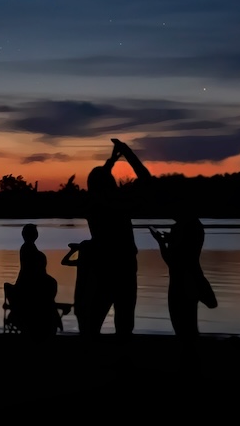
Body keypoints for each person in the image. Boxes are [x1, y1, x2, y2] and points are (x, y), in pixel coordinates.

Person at [82, 137, 151, 335]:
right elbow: (146, 181)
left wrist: (111, 162)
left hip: (103, 268)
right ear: (111, 185)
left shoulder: (92, 205)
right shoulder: (119, 205)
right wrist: (127, 153)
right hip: (123, 269)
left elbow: (99, 183)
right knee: (124, 324)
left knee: (93, 322)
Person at [151, 214, 213, 338]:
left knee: (181, 327)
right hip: (193, 279)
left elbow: (171, 261)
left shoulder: (178, 228)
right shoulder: (196, 225)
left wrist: (161, 243)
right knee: (191, 325)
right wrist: (171, 239)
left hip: (178, 285)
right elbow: (188, 248)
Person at [10, 223, 60, 334]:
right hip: (32, 291)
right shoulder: (28, 249)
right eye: (33, 232)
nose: (35, 234)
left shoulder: (28, 248)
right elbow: (32, 270)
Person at [60, 239, 97, 334]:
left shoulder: (81, 262)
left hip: (82, 290)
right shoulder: (86, 262)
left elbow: (64, 261)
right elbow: (63, 262)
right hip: (87, 290)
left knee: (82, 314)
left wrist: (73, 250)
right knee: (85, 315)